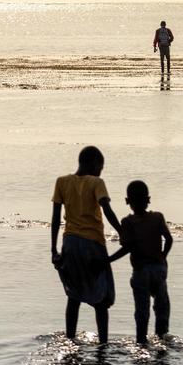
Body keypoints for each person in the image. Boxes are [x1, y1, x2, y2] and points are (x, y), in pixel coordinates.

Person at [51, 145, 121, 344]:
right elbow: (107, 210)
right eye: (101, 167)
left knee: (73, 296)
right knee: (102, 299)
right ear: (94, 163)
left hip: (70, 243)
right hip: (93, 244)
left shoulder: (62, 182)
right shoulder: (96, 182)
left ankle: (70, 339)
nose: (101, 171)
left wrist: (53, 250)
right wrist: (122, 231)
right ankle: (103, 343)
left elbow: (56, 219)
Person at [109, 180, 173, 345]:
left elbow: (127, 247)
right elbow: (169, 239)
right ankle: (162, 337)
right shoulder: (158, 217)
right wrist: (163, 256)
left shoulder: (127, 222)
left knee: (142, 310)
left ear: (127, 201)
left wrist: (108, 260)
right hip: (159, 270)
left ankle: (141, 341)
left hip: (141, 271)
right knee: (162, 306)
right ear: (148, 199)